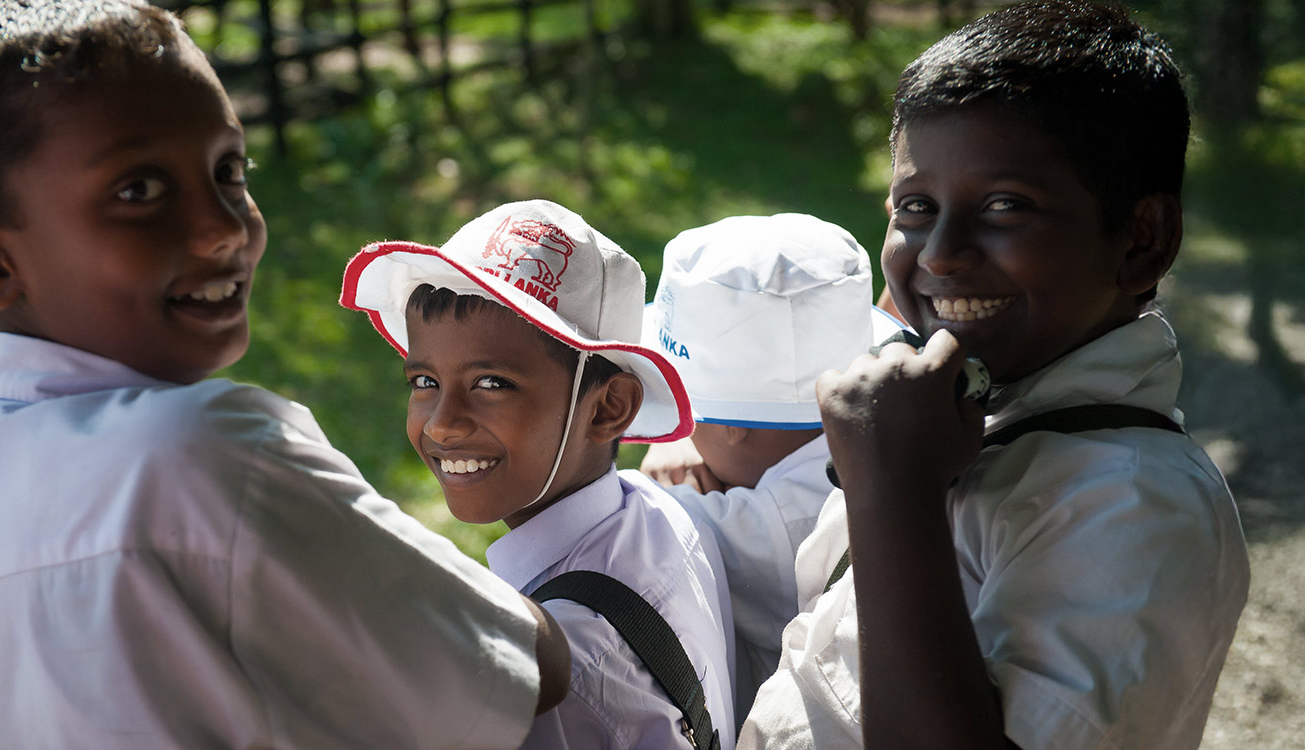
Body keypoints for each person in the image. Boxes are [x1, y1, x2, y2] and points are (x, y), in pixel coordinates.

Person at [0, 2, 569, 746]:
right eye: (139, 191)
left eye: (228, 170)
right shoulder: (200, 453)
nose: (224, 227)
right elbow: (529, 666)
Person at [740, 2, 1250, 748]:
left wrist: (894, 497)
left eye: (1006, 206)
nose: (940, 253)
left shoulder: (1135, 504)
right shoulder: (958, 412)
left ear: (1143, 240)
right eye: (916, 206)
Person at [340, 199, 736, 750]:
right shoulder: (659, 509)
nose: (443, 424)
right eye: (424, 382)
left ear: (608, 408)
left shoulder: (558, 685)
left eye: (492, 383)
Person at [635, 213, 902, 717]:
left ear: (733, 428)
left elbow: (615, 503)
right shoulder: (896, 438)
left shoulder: (755, 527)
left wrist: (664, 446)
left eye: (685, 413)